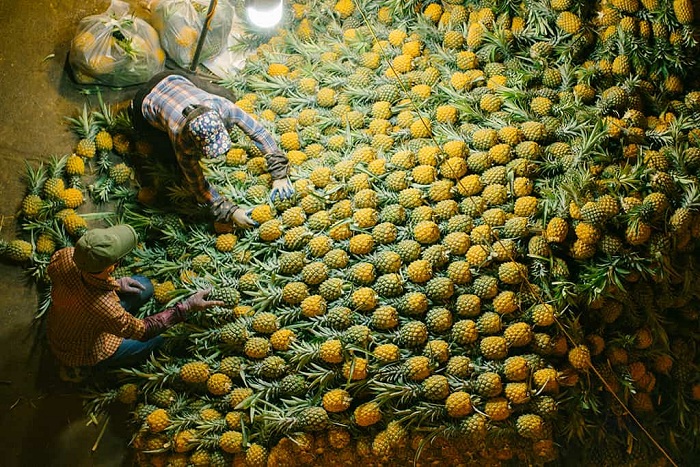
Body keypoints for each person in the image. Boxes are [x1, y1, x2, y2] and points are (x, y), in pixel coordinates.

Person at [46, 224, 225, 372]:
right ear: (111, 267)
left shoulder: (66, 256)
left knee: (144, 286)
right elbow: (143, 330)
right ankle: (86, 370)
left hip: (66, 317)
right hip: (82, 351)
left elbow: (80, 281)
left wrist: (116, 283)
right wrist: (187, 306)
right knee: (160, 337)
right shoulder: (105, 307)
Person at [129, 70, 294, 228]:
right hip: (144, 101)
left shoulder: (223, 106)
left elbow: (259, 132)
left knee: (229, 94)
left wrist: (279, 174)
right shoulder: (180, 138)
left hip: (172, 77)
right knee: (167, 157)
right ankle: (134, 116)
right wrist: (230, 211)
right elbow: (199, 186)